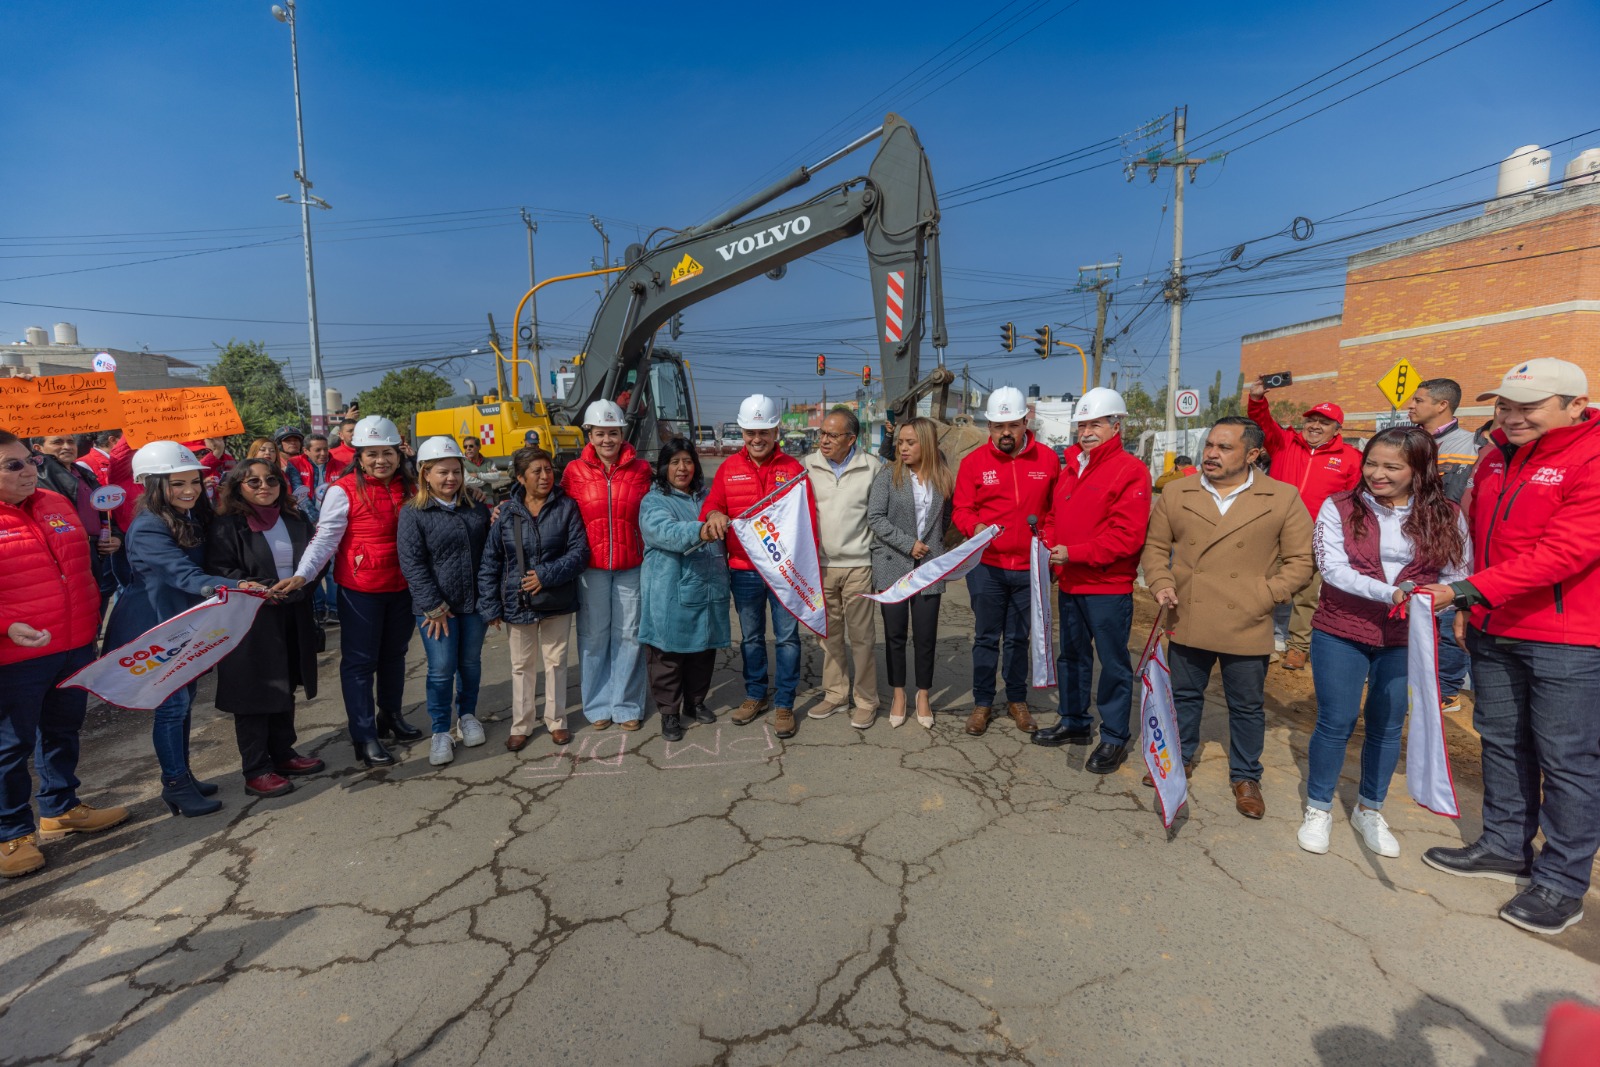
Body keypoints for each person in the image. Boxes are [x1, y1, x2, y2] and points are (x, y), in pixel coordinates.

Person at [1420, 358, 1600, 936]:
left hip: (1567, 638)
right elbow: (1479, 540)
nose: (1513, 416)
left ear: (1575, 406)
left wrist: (1464, 592)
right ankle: (1504, 845)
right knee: (1501, 742)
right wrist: (1471, 604)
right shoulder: (1495, 455)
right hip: (1495, 624)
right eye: (1505, 405)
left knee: (1567, 760)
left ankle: (1562, 882)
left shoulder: (1591, 456)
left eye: (1530, 406)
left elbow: (1564, 553)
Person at [1297, 427, 1468, 857]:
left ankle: (1369, 808)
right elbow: (1332, 569)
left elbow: (1456, 575)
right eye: (1371, 463)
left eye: (1392, 467)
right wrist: (1391, 594)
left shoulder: (1447, 514)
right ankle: (1318, 807)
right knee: (1336, 721)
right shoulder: (1340, 506)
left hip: (1407, 638)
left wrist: (1435, 604)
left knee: (1388, 725)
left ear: (1419, 470)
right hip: (1342, 629)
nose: (1378, 474)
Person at [1141, 417, 1315, 819]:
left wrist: (1265, 595)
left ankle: (1246, 775)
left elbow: (1301, 561)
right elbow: (1155, 547)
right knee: (1183, 695)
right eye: (1209, 446)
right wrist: (1161, 582)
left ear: (1252, 454)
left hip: (1248, 618)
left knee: (1247, 705)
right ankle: (1179, 758)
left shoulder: (1282, 497)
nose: (1212, 454)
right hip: (1188, 611)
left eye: (1224, 448)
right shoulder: (1178, 491)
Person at [0, 432, 127, 878]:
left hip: (74, 643)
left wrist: (107, 545)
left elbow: (78, 565)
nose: (28, 470)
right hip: (16, 656)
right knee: (10, 747)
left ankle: (60, 808)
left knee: (62, 730)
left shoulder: (55, 501)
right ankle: (11, 834)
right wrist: (5, 625)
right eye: (13, 465)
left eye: (30, 460)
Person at [125, 442, 275, 816]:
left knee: (184, 703)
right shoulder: (148, 527)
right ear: (152, 484)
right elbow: (185, 575)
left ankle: (184, 775)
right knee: (172, 708)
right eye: (177, 483)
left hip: (186, 627)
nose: (190, 490)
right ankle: (175, 785)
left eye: (194, 481)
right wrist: (238, 586)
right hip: (158, 631)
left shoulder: (188, 515)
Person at [293, 416, 422, 768]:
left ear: (398, 454)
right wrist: (303, 575)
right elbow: (325, 539)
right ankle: (364, 736)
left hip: (402, 587)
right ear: (359, 457)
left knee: (395, 655)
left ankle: (390, 716)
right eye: (371, 454)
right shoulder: (343, 489)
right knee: (360, 663)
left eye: (387, 453)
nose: (381, 460)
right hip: (361, 590)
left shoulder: (411, 487)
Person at [1035, 388, 1152, 772]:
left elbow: (1127, 536)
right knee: (1071, 657)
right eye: (1082, 424)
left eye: (1096, 424)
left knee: (1113, 664)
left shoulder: (1130, 471)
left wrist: (1074, 553)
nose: (1086, 432)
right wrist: (1051, 548)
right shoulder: (1071, 467)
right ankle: (1074, 721)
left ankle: (1114, 737)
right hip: (1070, 582)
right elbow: (1053, 517)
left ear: (1116, 426)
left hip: (1106, 587)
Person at [205, 460, 326, 797]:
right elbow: (220, 569)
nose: (264, 486)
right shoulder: (226, 525)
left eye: (271, 480)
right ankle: (256, 768)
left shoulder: (295, 518)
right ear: (238, 486)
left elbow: (316, 560)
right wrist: (262, 589)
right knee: (253, 692)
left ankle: (283, 753)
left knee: (284, 683)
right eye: (253, 481)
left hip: (292, 610)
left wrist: (300, 588)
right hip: (250, 618)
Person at [700, 393, 813, 739]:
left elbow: (808, 521)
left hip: (783, 571)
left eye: (764, 431)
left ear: (776, 431)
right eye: (751, 432)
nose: (757, 439)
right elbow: (711, 506)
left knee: (787, 638)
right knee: (750, 637)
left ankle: (784, 703)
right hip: (744, 569)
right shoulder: (728, 469)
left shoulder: (793, 471)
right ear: (743, 432)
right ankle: (755, 694)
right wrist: (713, 513)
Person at [951, 386, 1060, 737]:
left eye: (1012, 425)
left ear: (1025, 422)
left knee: (1017, 638)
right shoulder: (973, 463)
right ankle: (982, 702)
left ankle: (1017, 700)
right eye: (998, 426)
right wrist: (974, 527)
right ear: (989, 427)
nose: (1005, 433)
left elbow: (1055, 511)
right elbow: (961, 509)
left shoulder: (1048, 460)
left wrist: (1048, 546)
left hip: (1030, 568)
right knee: (986, 637)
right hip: (987, 568)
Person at [1246, 379, 1362, 670]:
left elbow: (1354, 501)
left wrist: (1347, 537)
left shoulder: (1350, 458)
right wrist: (1257, 400)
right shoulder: (1284, 442)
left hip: (1316, 536)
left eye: (1324, 422)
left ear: (1337, 429)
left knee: (1307, 593)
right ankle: (1259, 638)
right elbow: (1262, 421)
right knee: (1264, 584)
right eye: (1311, 420)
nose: (1315, 426)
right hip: (1273, 530)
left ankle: (1297, 647)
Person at [479, 447, 588, 749]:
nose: (545, 476)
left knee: (556, 662)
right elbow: (490, 561)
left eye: (548, 469)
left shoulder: (566, 507)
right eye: (536, 471)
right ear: (520, 477)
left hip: (557, 598)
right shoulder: (506, 513)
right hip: (517, 601)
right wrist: (490, 606)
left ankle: (557, 721)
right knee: (521, 665)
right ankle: (522, 724)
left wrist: (545, 575)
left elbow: (579, 553)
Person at [397, 437, 493, 766]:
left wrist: (489, 599)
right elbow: (412, 564)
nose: (451, 478)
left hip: (473, 604)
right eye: (442, 472)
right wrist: (433, 606)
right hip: (436, 610)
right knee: (441, 670)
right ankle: (440, 730)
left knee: (470, 664)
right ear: (425, 473)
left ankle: (467, 716)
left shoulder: (475, 507)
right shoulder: (413, 513)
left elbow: (489, 552)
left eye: (456, 471)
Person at [562, 400, 653, 732]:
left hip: (632, 565)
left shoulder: (641, 470)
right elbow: (556, 509)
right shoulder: (574, 471)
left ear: (622, 434)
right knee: (594, 635)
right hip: (591, 568)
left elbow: (657, 506)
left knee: (629, 635)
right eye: (600, 433)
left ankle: (627, 704)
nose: (607, 440)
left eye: (613, 433)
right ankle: (598, 704)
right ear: (590, 435)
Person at [638, 439, 729, 742]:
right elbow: (664, 531)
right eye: (675, 462)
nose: (682, 468)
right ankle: (669, 713)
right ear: (664, 467)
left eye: (688, 461)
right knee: (668, 654)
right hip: (669, 590)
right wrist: (699, 529)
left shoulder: (708, 496)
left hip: (707, 587)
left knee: (703, 649)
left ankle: (695, 702)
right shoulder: (654, 501)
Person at [866, 417, 954, 729]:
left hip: (929, 567)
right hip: (892, 564)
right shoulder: (888, 475)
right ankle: (899, 693)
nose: (902, 448)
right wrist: (909, 544)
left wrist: (933, 547)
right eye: (901, 442)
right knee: (895, 635)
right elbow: (875, 517)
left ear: (926, 444)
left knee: (926, 636)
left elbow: (945, 519)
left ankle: (923, 695)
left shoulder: (942, 477)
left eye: (910, 442)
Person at [802, 406, 882, 729]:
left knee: (862, 638)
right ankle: (835, 694)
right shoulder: (807, 466)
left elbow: (879, 517)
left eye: (832, 435)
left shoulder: (872, 467)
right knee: (829, 635)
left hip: (859, 565)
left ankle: (866, 700)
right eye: (822, 433)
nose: (824, 440)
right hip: (820, 566)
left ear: (851, 439)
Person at [1405, 377, 1478, 713]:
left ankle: (1447, 689)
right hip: (1414, 537)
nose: (1411, 405)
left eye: (1419, 400)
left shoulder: (1468, 446)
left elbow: (1464, 496)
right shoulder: (1409, 440)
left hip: (1452, 540)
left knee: (1448, 615)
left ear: (1442, 405)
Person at [33, 435, 121, 607]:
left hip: (94, 552)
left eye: (71, 441)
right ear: (38, 449)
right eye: (58, 442)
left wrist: (115, 535)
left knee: (95, 603)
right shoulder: (39, 475)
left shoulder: (83, 473)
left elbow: (102, 511)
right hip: (68, 556)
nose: (67, 446)